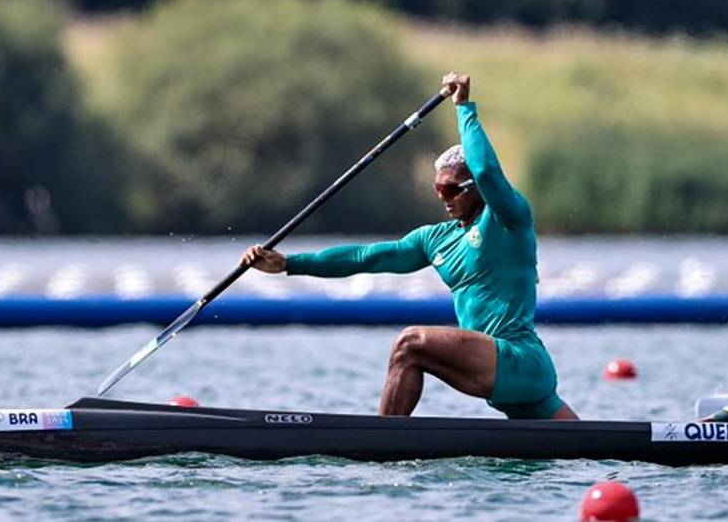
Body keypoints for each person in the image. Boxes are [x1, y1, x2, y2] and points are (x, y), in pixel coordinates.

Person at [242, 72, 578, 420]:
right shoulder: (435, 239)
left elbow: (488, 171)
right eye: (437, 189)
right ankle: (391, 440)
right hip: (509, 383)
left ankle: (380, 442)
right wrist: (289, 264)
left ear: (476, 187)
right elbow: (365, 258)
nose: (442, 198)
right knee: (588, 450)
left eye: (451, 189)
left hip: (518, 360)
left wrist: (464, 107)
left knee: (409, 345)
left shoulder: (508, 218)